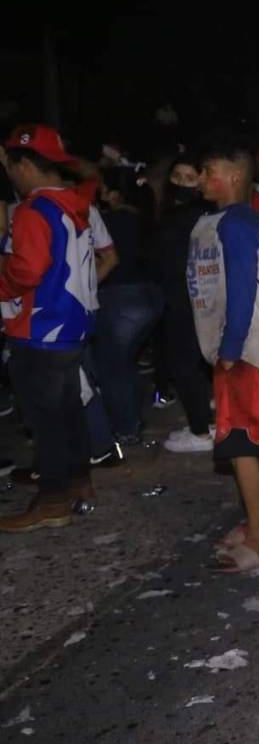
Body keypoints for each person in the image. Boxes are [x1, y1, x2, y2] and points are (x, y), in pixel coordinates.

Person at [189, 139, 259, 572]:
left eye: (207, 171)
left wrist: (230, 349)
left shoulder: (237, 222)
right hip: (246, 350)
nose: (201, 180)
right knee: (256, 445)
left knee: (243, 447)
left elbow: (242, 289)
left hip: (248, 352)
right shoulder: (225, 220)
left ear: (233, 176)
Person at [0, 125, 97, 531]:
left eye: (10, 165)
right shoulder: (73, 204)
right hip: (70, 325)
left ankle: (53, 500)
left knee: (46, 419)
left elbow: (27, 269)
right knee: (68, 410)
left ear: (24, 165)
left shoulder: (33, 209)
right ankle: (78, 483)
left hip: (39, 327)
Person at [94, 166, 163, 443]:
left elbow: (106, 260)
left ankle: (126, 427)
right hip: (150, 295)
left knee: (112, 367)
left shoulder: (109, 221)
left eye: (102, 190)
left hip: (121, 298)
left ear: (115, 195)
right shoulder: (146, 216)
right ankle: (132, 417)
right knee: (125, 363)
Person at [158, 155, 217, 453]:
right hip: (201, 298)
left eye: (189, 178)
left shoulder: (185, 216)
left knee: (185, 366)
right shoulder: (206, 212)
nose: (181, 183)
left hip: (188, 299)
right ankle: (206, 421)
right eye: (177, 177)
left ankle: (201, 432)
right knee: (200, 364)